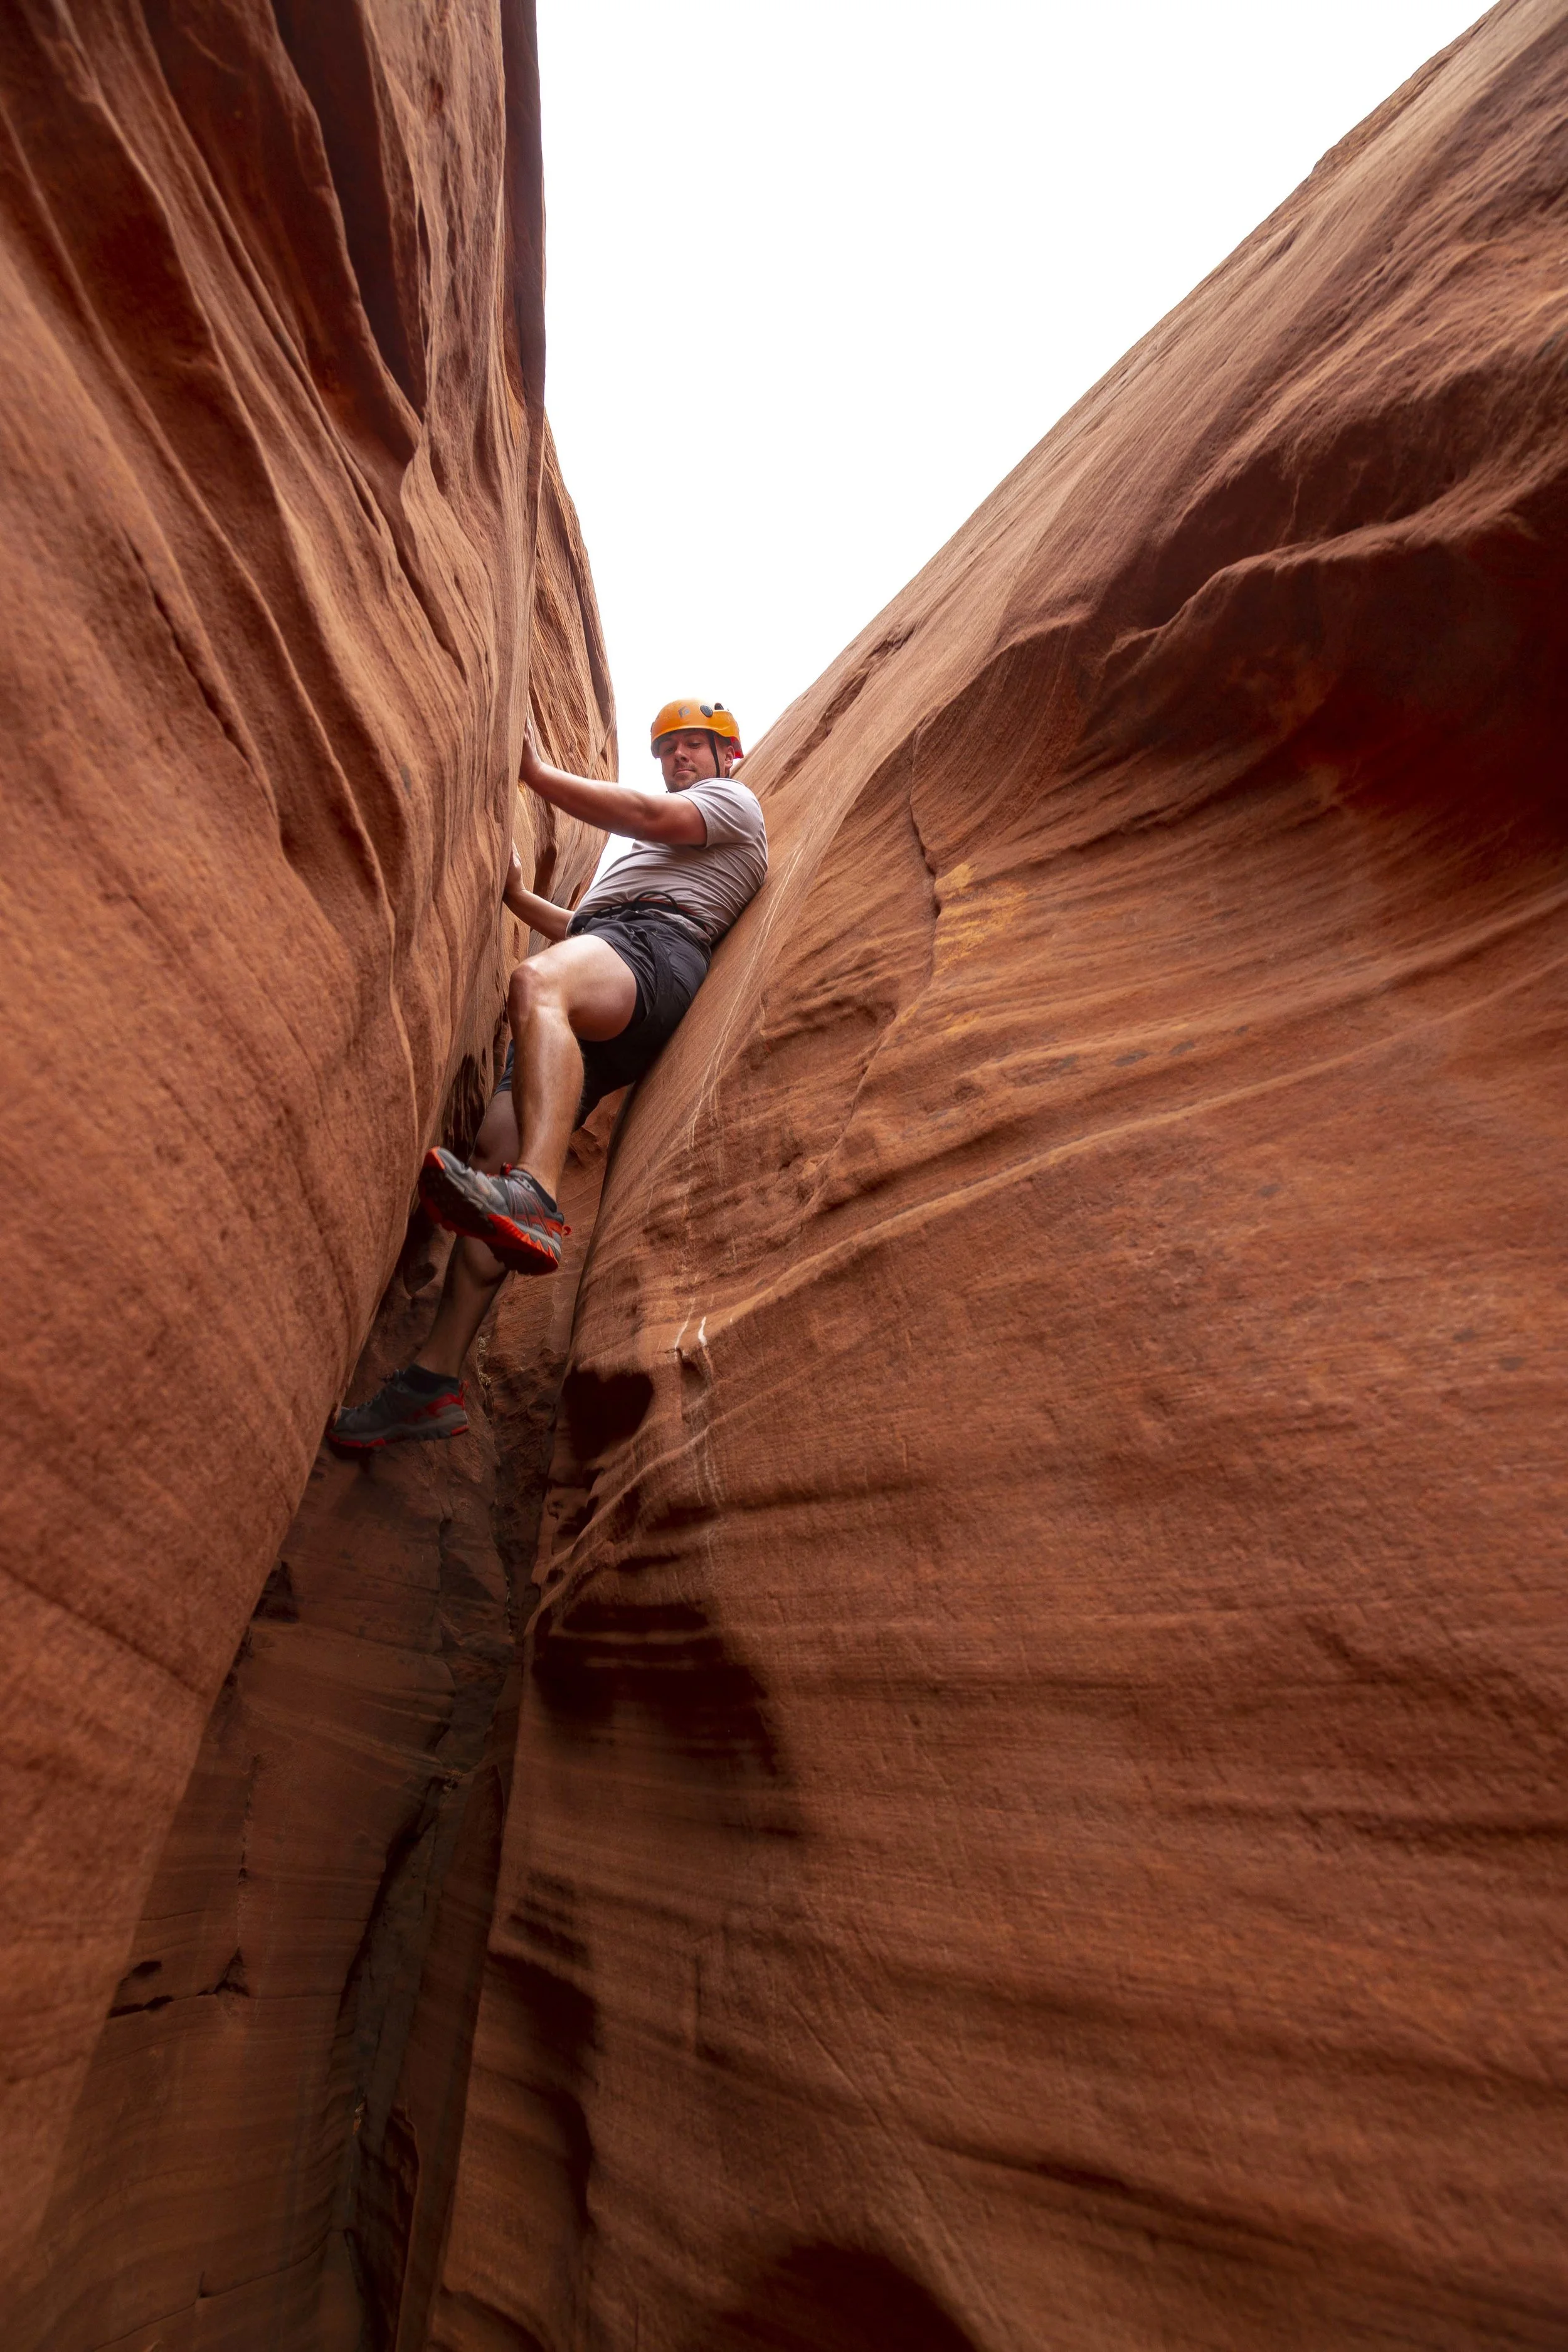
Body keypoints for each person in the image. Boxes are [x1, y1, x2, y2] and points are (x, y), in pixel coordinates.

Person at [329, 698, 766, 1451]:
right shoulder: (647, 860)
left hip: (655, 954)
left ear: (728, 754)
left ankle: (534, 1192)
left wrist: (534, 774)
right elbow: (581, 926)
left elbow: (646, 818)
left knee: (537, 985)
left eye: (694, 745)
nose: (677, 761)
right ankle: (433, 1382)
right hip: (609, 969)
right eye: (666, 751)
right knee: (489, 1151)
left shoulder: (731, 802)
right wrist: (515, 898)